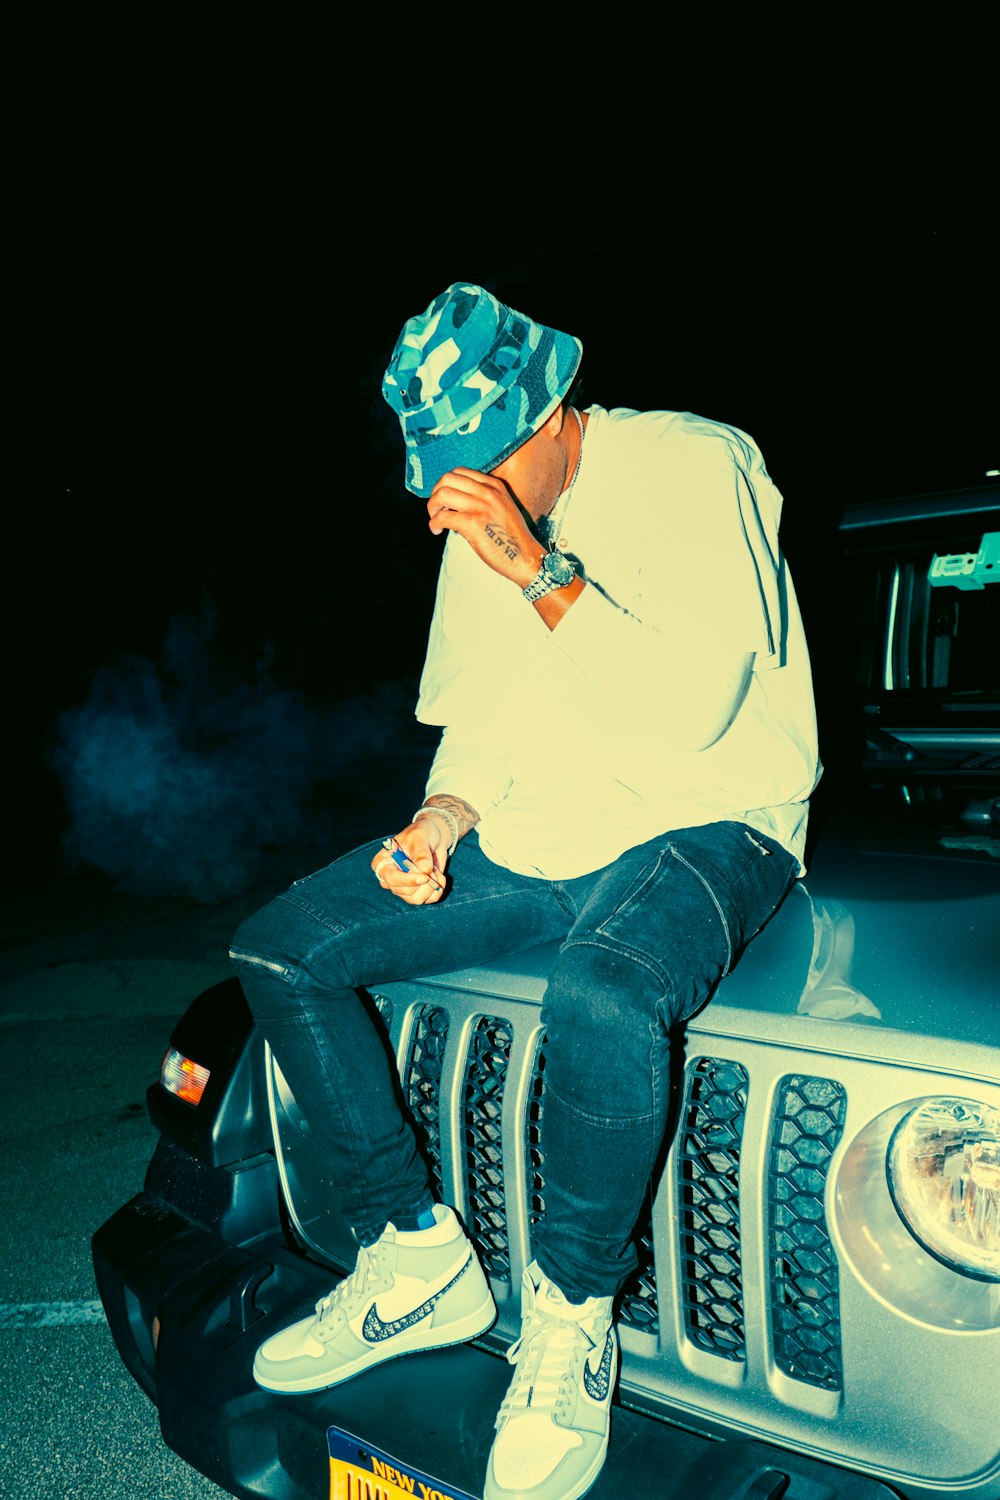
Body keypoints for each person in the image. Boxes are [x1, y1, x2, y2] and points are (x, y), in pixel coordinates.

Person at [229, 281, 821, 1500]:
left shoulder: (693, 462)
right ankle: (414, 1254)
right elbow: (484, 729)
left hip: (708, 819)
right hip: (540, 829)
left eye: (493, 459)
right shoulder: (485, 518)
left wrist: (535, 564)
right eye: (451, 474)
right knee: (284, 948)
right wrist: (442, 822)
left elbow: (693, 712)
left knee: (603, 994)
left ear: (554, 406)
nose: (475, 495)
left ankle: (568, 1322)